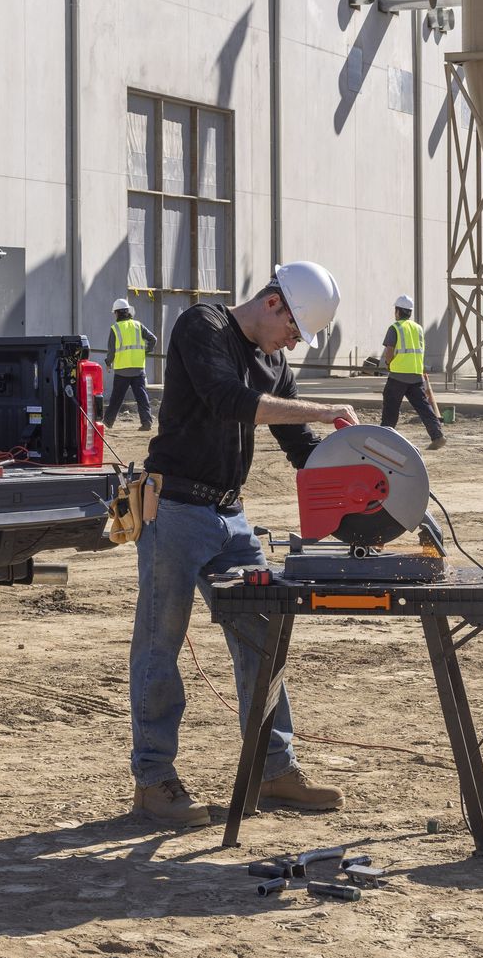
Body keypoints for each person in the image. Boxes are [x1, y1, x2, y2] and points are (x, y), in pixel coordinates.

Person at [130, 261, 356, 826]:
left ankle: (274, 770)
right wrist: (326, 409)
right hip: (175, 510)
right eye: (294, 332)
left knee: (263, 637)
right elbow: (228, 399)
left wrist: (362, 491)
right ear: (274, 302)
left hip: (230, 517)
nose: (292, 345)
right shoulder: (200, 326)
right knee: (161, 645)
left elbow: (300, 447)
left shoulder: (275, 363)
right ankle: (154, 781)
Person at [380, 294, 447, 450]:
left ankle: (383, 439)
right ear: (409, 312)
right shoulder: (418, 328)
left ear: (397, 311)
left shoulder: (395, 328)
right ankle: (437, 436)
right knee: (424, 408)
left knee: (390, 408)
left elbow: (389, 352)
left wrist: (388, 364)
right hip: (416, 375)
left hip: (398, 376)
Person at [104, 298, 158, 430]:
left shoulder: (115, 328)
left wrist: (108, 363)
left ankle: (108, 422)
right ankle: (146, 423)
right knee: (142, 397)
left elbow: (111, 351)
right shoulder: (138, 325)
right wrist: (145, 350)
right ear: (128, 312)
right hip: (138, 368)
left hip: (122, 370)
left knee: (116, 398)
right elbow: (153, 339)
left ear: (117, 313)